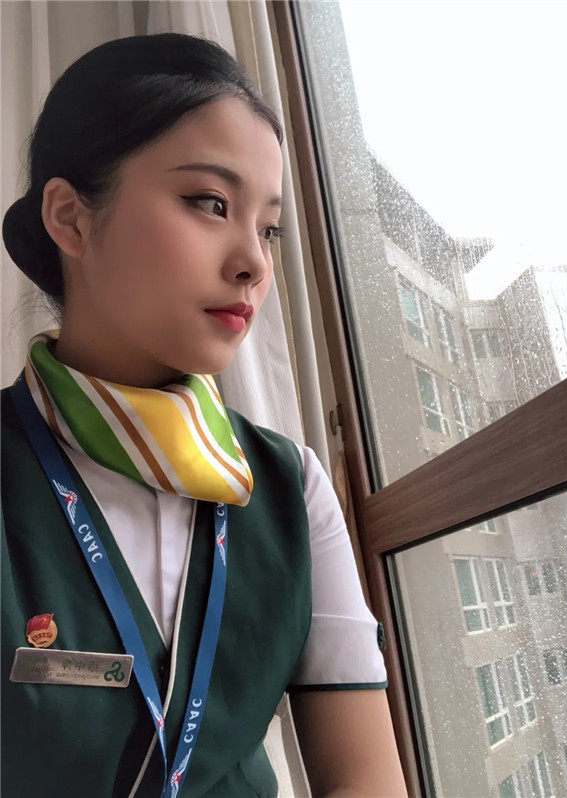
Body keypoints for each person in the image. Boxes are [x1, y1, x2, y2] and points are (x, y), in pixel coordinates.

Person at [1, 32, 405, 797]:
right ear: (70, 217)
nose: (254, 261)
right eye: (211, 203)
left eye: (268, 228)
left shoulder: (291, 487)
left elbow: (366, 781)